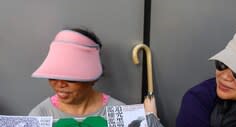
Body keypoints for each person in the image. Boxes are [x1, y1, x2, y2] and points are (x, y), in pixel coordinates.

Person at [29, 28, 157, 118]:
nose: (60, 84)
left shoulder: (118, 113)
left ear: (92, 78)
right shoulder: (41, 115)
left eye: (70, 78)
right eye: (53, 76)